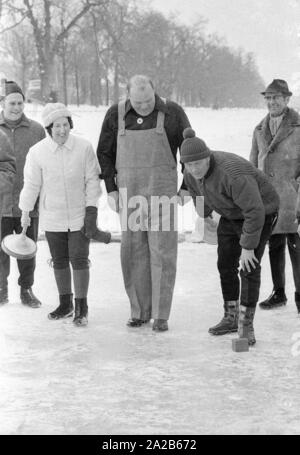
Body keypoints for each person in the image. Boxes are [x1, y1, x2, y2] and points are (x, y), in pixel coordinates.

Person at [97, 75, 191, 331]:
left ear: (154, 92)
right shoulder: (115, 114)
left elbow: (191, 150)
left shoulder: (172, 112)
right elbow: (104, 153)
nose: (144, 106)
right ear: (128, 96)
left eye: (148, 100)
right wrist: (111, 189)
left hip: (163, 194)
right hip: (130, 194)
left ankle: (160, 314)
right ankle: (139, 310)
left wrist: (186, 187)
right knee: (133, 251)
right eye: (138, 102)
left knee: (162, 251)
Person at [181, 128, 279, 345]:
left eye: (198, 163)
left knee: (248, 266)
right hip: (232, 212)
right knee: (225, 264)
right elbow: (198, 193)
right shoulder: (190, 172)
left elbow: (255, 211)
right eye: (189, 165)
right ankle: (231, 317)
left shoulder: (232, 174)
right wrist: (206, 215)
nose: (194, 169)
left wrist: (247, 246)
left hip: (262, 210)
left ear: (208, 157)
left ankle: (246, 327)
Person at [19, 103, 102, 326]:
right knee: (59, 261)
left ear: (70, 125)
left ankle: (81, 307)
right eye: (57, 126)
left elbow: (92, 180)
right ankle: (65, 304)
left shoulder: (83, 147)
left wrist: (91, 209)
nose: (62, 130)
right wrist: (25, 211)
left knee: (79, 259)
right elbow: (32, 184)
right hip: (52, 216)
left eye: (65, 125)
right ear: (49, 128)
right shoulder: (37, 152)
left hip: (79, 216)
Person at [250, 79, 300, 312]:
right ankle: (278, 292)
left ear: (287, 99)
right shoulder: (259, 129)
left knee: (296, 247)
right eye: (268, 98)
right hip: (269, 199)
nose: (271, 102)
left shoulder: (298, 126)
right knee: (274, 245)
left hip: (293, 199)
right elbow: (252, 166)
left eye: (276, 98)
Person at [0, 80, 45, 307]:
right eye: (12, 103)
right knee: (0, 249)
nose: (16, 107)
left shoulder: (36, 130)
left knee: (27, 248)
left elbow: (46, 163)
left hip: (28, 202)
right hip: (1, 202)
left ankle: (26, 289)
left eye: (20, 102)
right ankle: (1, 290)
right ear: (2, 103)